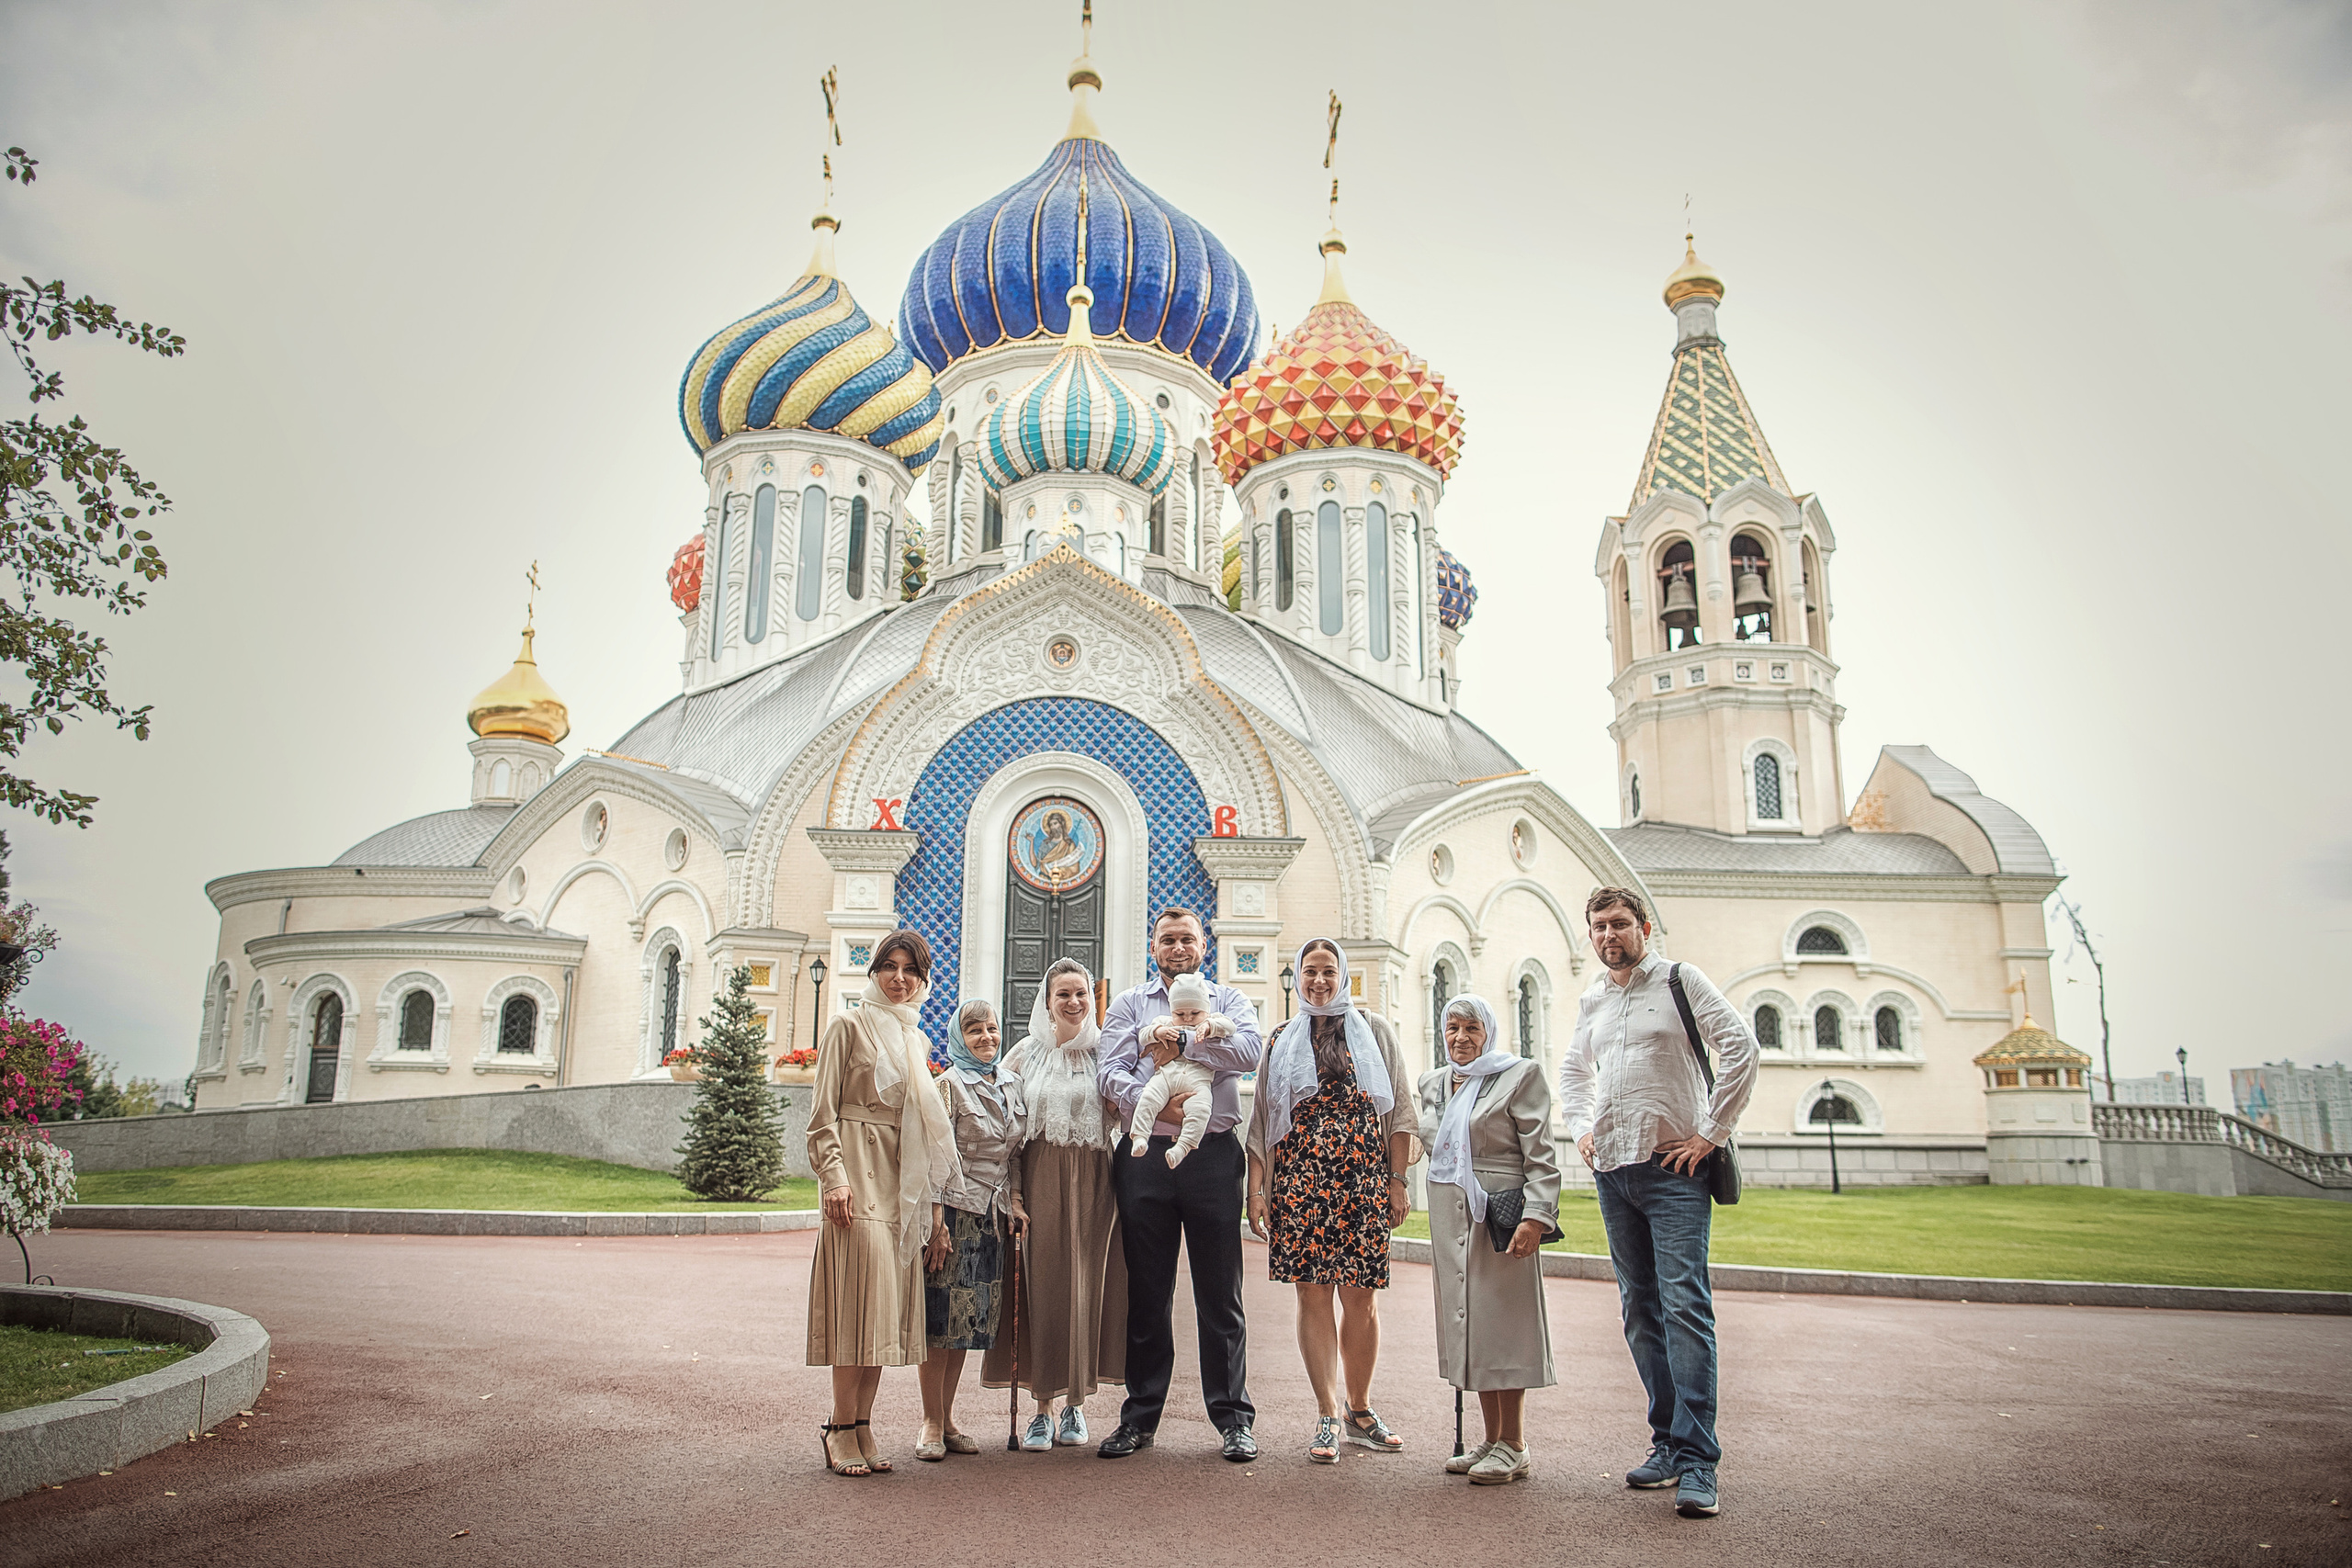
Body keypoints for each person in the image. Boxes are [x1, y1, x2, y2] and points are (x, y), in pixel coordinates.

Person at [1560, 886, 1758, 1519]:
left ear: (1644, 926)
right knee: (1640, 1310)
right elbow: (1571, 1070)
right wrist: (1581, 1128)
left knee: (1684, 1307)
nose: (1608, 934)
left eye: (1619, 923)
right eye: (1598, 926)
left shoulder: (1680, 980)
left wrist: (1712, 1133)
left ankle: (1700, 1460)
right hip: (1614, 1171)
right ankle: (1668, 1442)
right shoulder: (1594, 995)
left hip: (1676, 1170)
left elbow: (1742, 1048)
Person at [1095, 907, 1266, 1461]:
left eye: (1186, 939)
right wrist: (1155, 1100)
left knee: (1221, 1294)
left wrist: (1188, 1046)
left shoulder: (1230, 1001)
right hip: (1145, 1157)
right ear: (1154, 948)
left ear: (1202, 946)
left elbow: (1248, 1052)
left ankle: (1234, 1420)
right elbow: (1109, 1070)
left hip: (1213, 1158)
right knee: (1147, 1291)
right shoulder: (1129, 1004)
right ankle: (1139, 1419)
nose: (1177, 948)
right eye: (1167, 940)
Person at [1245, 939, 1420, 1464]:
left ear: (1342, 975)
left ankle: (1359, 1410)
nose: (1318, 981)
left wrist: (1397, 1179)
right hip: (1299, 1185)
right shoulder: (1279, 1039)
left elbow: (1401, 1113)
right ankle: (1326, 1411)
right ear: (1296, 977)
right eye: (1309, 972)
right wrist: (1258, 1190)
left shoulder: (1375, 1031)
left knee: (1361, 1299)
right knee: (1313, 1296)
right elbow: (1262, 1124)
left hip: (1362, 1182)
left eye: (1328, 971)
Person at [807, 930, 957, 1478]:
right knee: (855, 1305)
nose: (899, 978)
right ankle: (839, 1426)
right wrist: (834, 1179)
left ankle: (863, 1424)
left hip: (898, 1180)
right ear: (874, 972)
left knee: (880, 1308)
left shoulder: (913, 1040)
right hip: (855, 1172)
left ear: (922, 981)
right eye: (890, 967)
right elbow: (821, 1114)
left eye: (911, 971)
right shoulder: (848, 1025)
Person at [985, 957, 1125, 1451]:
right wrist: (1015, 1194)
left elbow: (1127, 1116)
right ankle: (1041, 1407)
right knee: (1042, 1284)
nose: (1073, 1002)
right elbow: (1006, 1135)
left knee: (1084, 1286)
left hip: (1095, 1184)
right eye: (1063, 994)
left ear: (1093, 999)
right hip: (1040, 1179)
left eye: (1081, 994)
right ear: (1046, 1002)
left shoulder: (1107, 1054)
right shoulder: (1024, 1056)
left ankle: (1075, 1408)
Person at [1418, 993, 1558, 1485]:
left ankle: (1515, 1443)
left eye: (1471, 1029)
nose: (1460, 1038)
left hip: (1499, 1214)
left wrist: (1537, 1217)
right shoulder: (1433, 1083)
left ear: (1489, 1032)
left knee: (1502, 1322)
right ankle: (1492, 1436)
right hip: (1449, 1214)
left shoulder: (1518, 1076)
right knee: (1470, 1325)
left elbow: (1540, 1153)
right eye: (1452, 1027)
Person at [915, 998, 1024, 1461]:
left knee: (966, 1321)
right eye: (975, 1030)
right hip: (954, 1216)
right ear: (959, 1037)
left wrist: (1015, 1200)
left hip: (992, 1216)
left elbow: (1016, 1153)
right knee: (941, 1320)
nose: (986, 1038)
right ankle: (930, 1421)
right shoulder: (948, 1086)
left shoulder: (1012, 1084)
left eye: (993, 1029)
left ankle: (950, 1415)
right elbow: (935, 1157)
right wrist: (936, 1224)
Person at [1124, 971, 1228, 1167]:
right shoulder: (1165, 1022)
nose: (1188, 1018)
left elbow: (1229, 1027)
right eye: (1180, 1014)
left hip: (1197, 1082)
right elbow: (1144, 1035)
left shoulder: (1212, 1020)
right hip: (1165, 1076)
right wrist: (1158, 1032)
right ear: (1172, 1011)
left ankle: (1183, 1147)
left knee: (1201, 1110)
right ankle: (1139, 1137)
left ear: (1206, 1010)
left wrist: (1210, 1027)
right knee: (1148, 1099)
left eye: (1195, 1013)